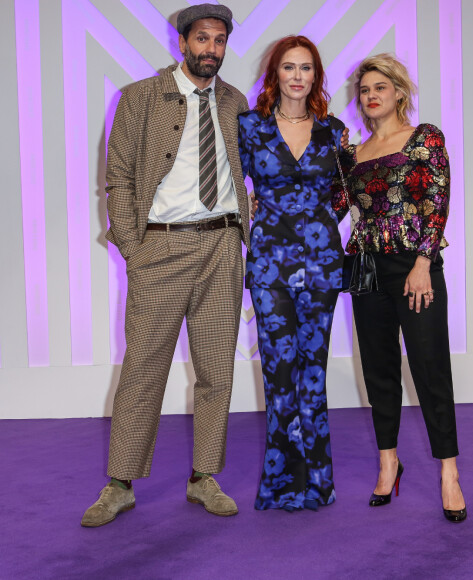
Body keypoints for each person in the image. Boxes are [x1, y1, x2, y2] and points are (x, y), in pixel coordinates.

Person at [81, 3, 250, 527]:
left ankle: (204, 477)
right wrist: (135, 248)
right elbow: (120, 180)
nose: (212, 50)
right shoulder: (137, 98)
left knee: (217, 371)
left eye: (220, 41)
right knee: (143, 369)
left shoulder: (236, 103)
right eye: (203, 39)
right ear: (183, 42)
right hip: (161, 249)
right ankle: (120, 483)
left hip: (222, 248)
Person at [332, 54, 467, 522]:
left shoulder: (424, 138)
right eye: (365, 90)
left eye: (379, 88)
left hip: (414, 265)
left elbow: (437, 200)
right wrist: (331, 152)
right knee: (379, 369)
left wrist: (423, 262)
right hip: (366, 267)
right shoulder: (354, 153)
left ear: (398, 93)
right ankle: (389, 463)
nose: (370, 96)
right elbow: (335, 202)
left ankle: (449, 472)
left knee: (430, 368)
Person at [238, 35, 346, 511]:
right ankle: (281, 484)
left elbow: (343, 194)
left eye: (306, 68)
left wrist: (319, 224)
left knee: (313, 374)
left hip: (322, 267)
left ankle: (317, 482)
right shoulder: (250, 127)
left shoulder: (334, 131)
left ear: (315, 76)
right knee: (280, 375)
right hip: (269, 267)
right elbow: (229, 187)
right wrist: (256, 214)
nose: (298, 76)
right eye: (289, 67)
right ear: (275, 74)